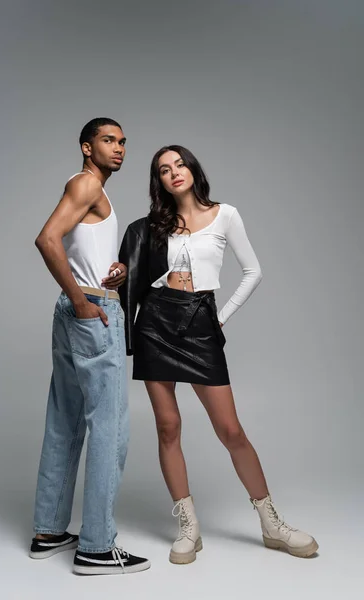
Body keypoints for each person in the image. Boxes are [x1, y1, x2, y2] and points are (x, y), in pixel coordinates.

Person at [119, 145, 318, 565]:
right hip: (156, 322)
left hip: (200, 321)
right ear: (159, 181)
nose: (174, 173)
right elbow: (134, 275)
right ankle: (189, 527)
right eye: (164, 169)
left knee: (230, 430)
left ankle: (271, 524)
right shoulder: (153, 226)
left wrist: (220, 318)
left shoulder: (225, 214)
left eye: (179, 164)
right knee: (168, 427)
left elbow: (253, 271)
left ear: (192, 168)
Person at [30, 118, 150, 576]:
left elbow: (79, 248)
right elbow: (46, 239)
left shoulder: (92, 189)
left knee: (64, 417)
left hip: (77, 309)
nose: (119, 148)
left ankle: (49, 530)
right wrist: (84, 301)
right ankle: (97, 547)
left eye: (122, 142)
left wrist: (112, 271)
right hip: (92, 315)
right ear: (86, 146)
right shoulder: (86, 184)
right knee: (110, 428)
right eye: (108, 140)